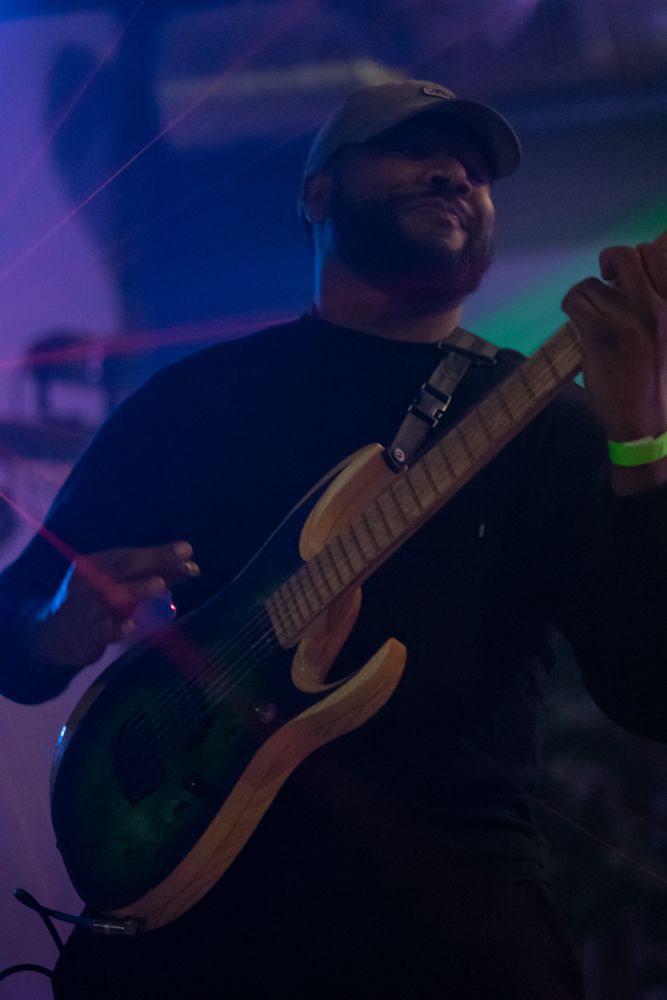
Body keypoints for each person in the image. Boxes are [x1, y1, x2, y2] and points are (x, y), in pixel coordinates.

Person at [1, 78, 666, 999]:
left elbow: (648, 690)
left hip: (447, 905)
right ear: (317, 192)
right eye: (412, 149)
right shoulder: (194, 401)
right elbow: (16, 633)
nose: (453, 175)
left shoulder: (547, 424)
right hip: (191, 905)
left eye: (473, 171)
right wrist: (53, 625)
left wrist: (641, 444)